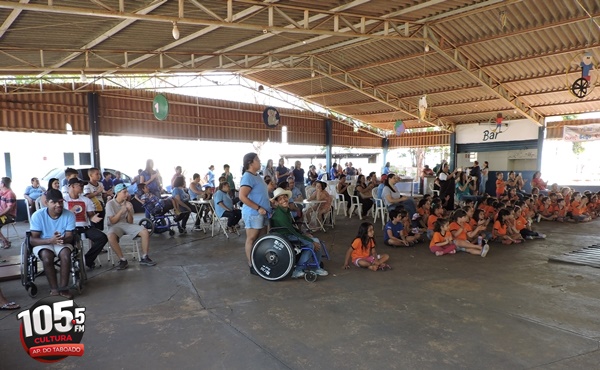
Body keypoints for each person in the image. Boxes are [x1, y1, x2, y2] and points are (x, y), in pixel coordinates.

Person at [270, 187, 328, 278]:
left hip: (289, 234)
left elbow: (292, 228)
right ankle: (298, 270)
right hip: (285, 237)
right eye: (280, 199)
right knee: (311, 244)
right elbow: (291, 231)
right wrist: (308, 239)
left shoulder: (285, 211)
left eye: (285, 197)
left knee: (316, 240)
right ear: (277, 202)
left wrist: (304, 234)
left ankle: (315, 266)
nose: (283, 200)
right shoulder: (279, 215)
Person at [29, 189, 76, 298]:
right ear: (46, 203)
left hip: (62, 241)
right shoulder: (38, 215)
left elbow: (70, 236)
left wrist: (61, 240)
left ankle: (64, 288)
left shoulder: (69, 215)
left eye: (60, 202)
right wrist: (50, 240)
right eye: (54, 202)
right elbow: (33, 240)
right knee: (46, 256)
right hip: (43, 242)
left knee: (65, 255)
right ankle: (54, 288)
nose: (58, 205)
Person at [106, 184, 156, 270]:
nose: (127, 194)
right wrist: (121, 211)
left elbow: (130, 222)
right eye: (124, 192)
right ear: (118, 193)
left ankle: (145, 257)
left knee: (144, 231)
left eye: (127, 192)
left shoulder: (128, 203)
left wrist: (129, 211)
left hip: (126, 224)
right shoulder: (110, 204)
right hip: (115, 225)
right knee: (110, 236)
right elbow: (112, 221)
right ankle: (122, 260)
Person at [63, 178, 108, 269]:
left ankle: (87, 259)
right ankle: (72, 261)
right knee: (70, 241)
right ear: (72, 186)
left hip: (84, 227)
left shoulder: (86, 200)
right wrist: (70, 212)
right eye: (80, 185)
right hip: (69, 228)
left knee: (102, 237)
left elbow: (90, 214)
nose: (82, 187)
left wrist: (93, 218)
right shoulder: (63, 200)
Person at [239, 153, 272, 275]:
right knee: (252, 239)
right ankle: (252, 264)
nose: (260, 161)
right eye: (257, 159)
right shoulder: (247, 177)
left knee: (262, 239)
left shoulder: (257, 176)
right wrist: (258, 208)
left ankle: (260, 262)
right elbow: (242, 196)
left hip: (263, 212)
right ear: (250, 163)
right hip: (254, 213)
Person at [0, 177, 17, 249]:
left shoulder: (10, 194)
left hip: (9, 216)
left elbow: (9, 208)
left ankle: (5, 241)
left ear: (3, 184)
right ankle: (5, 240)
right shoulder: (2, 192)